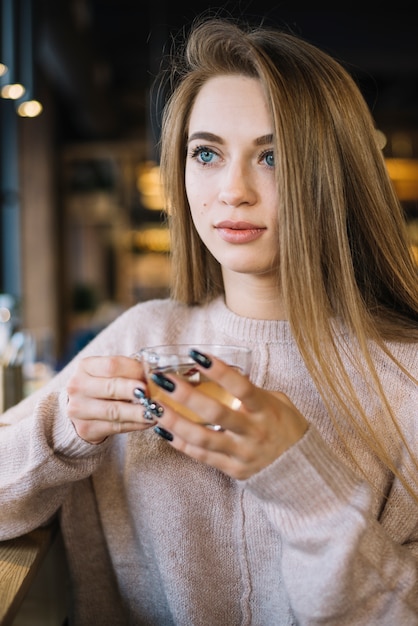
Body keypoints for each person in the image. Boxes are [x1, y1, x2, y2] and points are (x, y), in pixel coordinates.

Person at [1, 14, 418, 625]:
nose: (233, 191)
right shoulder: (143, 338)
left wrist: (302, 478)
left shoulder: (404, 379)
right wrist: (58, 429)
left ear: (334, 175)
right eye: (206, 153)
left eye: (272, 156)